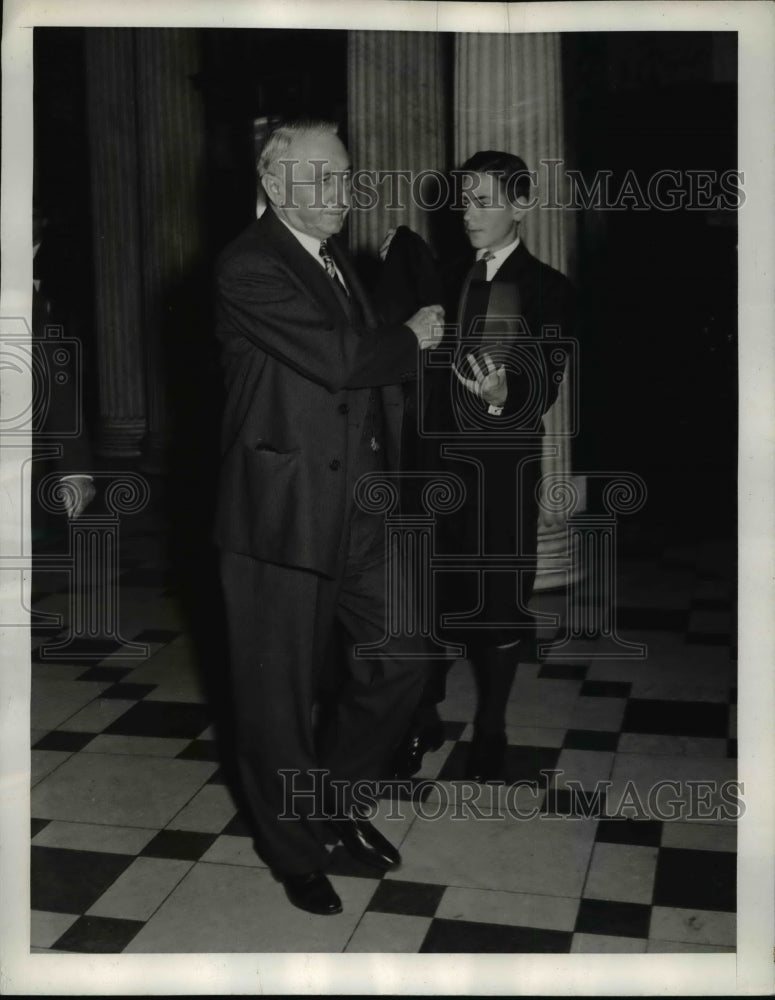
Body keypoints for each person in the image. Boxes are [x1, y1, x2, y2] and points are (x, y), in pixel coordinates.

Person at [214, 120, 444, 916]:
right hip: (279, 515)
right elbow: (342, 361)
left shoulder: (330, 255)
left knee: (405, 654)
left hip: (359, 504)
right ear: (275, 185)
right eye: (324, 178)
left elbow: (363, 385)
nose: (344, 192)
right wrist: (409, 337)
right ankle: (293, 851)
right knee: (274, 701)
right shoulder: (249, 264)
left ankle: (331, 804)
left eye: (346, 176)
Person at [389, 150, 575, 783]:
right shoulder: (440, 279)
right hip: (431, 468)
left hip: (497, 474)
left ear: (520, 205)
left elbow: (543, 382)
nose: (470, 213)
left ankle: (492, 725)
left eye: (486, 200)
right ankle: (422, 717)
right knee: (425, 598)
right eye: (466, 199)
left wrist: (504, 397)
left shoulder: (548, 287)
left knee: (497, 602)